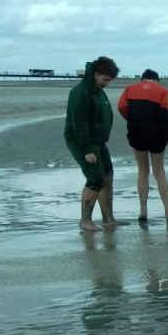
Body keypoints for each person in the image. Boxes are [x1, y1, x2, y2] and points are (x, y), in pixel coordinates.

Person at [65, 57, 121, 231]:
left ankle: (108, 219)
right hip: (84, 143)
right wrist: (87, 149)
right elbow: (78, 123)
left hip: (99, 141)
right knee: (95, 179)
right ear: (96, 74)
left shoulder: (98, 90)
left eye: (110, 81)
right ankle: (85, 220)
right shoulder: (80, 92)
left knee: (108, 176)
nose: (107, 84)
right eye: (105, 80)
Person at [118, 69, 168, 223]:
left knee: (142, 171)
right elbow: (167, 116)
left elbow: (122, 107)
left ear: (143, 79)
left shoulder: (129, 89)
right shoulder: (163, 91)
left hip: (136, 133)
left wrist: (133, 120)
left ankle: (143, 210)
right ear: (156, 80)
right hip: (157, 134)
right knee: (159, 171)